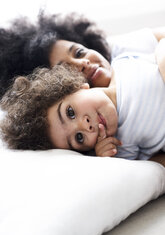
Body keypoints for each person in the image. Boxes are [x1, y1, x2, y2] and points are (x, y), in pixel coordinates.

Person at [1, 38, 165, 161]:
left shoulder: (123, 63)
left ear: (77, 86)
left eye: (70, 113)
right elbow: (155, 166)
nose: (85, 125)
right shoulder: (121, 144)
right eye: (79, 138)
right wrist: (107, 158)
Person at [0, 11, 165, 98]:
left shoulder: (125, 48)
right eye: (67, 70)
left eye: (79, 53)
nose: (82, 63)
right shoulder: (103, 128)